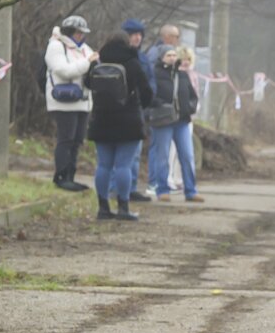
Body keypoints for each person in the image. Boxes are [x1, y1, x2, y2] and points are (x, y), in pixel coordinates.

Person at [89, 23, 155, 220]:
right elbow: (147, 91)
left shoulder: (98, 61)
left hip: (101, 119)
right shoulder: (133, 62)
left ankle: (103, 208)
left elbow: (87, 83)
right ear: (127, 43)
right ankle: (123, 208)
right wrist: (138, 107)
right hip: (128, 121)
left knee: (103, 165)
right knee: (123, 166)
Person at [44, 16, 97, 192]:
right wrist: (87, 63)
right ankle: (60, 176)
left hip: (83, 101)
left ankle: (70, 177)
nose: (81, 36)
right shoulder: (56, 46)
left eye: (83, 33)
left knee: (77, 141)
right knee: (66, 139)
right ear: (68, 32)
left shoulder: (85, 49)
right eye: (77, 32)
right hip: (63, 101)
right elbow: (63, 71)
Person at [149, 45, 202, 202]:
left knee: (187, 155)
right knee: (163, 156)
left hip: (182, 121)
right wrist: (160, 105)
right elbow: (150, 95)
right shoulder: (155, 74)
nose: (172, 58)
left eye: (173, 55)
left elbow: (193, 96)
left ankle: (191, 190)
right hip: (163, 120)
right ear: (161, 58)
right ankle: (162, 189)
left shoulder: (182, 75)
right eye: (168, 55)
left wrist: (189, 108)